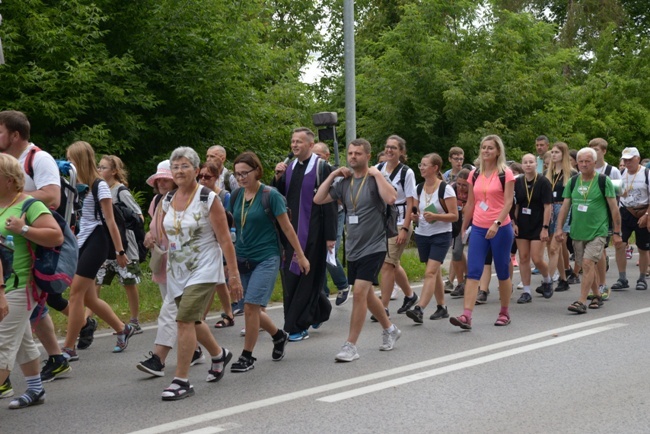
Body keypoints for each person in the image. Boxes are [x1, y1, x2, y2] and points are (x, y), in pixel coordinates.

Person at [159, 147, 242, 400]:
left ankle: (181, 380)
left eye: (185, 166)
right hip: (178, 270)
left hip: (204, 268)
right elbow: (166, 232)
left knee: (184, 320)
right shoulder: (167, 199)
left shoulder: (208, 198)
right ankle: (219, 354)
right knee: (194, 320)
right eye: (175, 167)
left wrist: (234, 275)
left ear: (196, 170)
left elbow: (225, 240)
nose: (179, 171)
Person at [314, 138, 402, 362]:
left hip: (375, 245)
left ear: (368, 156)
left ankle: (350, 345)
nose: (353, 157)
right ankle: (390, 329)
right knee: (369, 294)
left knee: (360, 293)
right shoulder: (344, 182)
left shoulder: (375, 179)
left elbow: (392, 198)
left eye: (358, 154)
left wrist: (378, 174)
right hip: (354, 247)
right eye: (350, 153)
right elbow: (319, 198)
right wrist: (333, 175)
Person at [0, 110, 69, 389]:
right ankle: (38, 383)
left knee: (8, 336)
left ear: (15, 135)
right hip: (10, 274)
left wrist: (18, 207)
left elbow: (52, 196)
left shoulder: (39, 158)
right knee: (25, 332)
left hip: (26, 268)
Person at [229, 151, 309, 372]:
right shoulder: (235, 196)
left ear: (257, 171)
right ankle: (278, 335)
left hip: (267, 257)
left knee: (250, 306)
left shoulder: (270, 195)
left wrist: (299, 255)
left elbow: (287, 227)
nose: (241, 177)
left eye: (245, 173)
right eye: (237, 174)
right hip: (243, 258)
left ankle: (247, 356)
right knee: (252, 308)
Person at [61, 141, 135, 360]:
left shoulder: (99, 185)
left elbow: (110, 221)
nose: (69, 164)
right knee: (89, 299)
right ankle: (123, 329)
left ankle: (68, 348)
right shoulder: (79, 183)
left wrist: (120, 252)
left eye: (71, 159)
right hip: (83, 241)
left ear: (80, 160)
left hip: (98, 241)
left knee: (75, 294)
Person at [136, 160, 206, 377]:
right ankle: (203, 351)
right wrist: (149, 235)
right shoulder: (158, 200)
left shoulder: (186, 200)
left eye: (166, 178)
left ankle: (159, 358)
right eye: (160, 179)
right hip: (163, 262)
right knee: (184, 314)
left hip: (183, 264)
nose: (162, 182)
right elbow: (154, 225)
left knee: (169, 311)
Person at [273, 127, 335, 341]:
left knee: (306, 277)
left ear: (310, 144)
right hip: (291, 231)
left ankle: (296, 326)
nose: (294, 145)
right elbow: (280, 198)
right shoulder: (289, 168)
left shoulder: (321, 167)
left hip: (314, 232)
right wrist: (278, 178)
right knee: (292, 277)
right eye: (292, 142)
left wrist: (330, 236)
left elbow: (330, 203)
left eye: (299, 142)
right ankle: (320, 310)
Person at [450, 135, 515, 330]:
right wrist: (463, 226)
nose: (486, 151)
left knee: (503, 271)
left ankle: (504, 312)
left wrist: (496, 223)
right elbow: (471, 202)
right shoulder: (475, 174)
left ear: (497, 151)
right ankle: (466, 315)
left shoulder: (506, 173)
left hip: (501, 228)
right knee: (474, 271)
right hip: (478, 227)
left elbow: (509, 202)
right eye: (483, 147)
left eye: (490, 148)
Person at [554, 147, 622, 313]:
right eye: (581, 161)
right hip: (578, 232)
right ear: (577, 163)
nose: (584, 164)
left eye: (587, 161)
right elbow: (565, 207)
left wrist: (617, 233)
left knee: (587, 262)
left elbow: (614, 208)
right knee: (585, 266)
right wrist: (559, 229)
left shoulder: (603, 180)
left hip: (598, 231)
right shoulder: (573, 181)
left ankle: (581, 301)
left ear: (594, 162)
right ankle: (597, 295)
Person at [92, 155, 144, 335]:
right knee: (95, 282)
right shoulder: (99, 189)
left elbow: (138, 216)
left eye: (103, 167)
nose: (99, 170)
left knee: (128, 283)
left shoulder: (121, 191)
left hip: (124, 246)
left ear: (114, 171)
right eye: (98, 167)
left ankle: (135, 321)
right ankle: (86, 322)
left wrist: (120, 217)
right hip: (105, 245)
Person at [405, 153, 457, 323]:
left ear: (435, 168)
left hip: (441, 235)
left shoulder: (445, 189)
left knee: (430, 272)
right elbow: (417, 211)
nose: (421, 167)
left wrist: (437, 217)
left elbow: (454, 216)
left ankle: (419, 308)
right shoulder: (419, 188)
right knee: (433, 273)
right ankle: (442, 307)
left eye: (425, 165)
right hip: (423, 234)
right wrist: (415, 217)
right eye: (420, 164)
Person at [375, 135, 419, 319]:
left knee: (387, 264)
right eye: (387, 147)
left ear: (401, 152)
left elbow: (411, 201)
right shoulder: (377, 169)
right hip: (381, 221)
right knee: (393, 263)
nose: (389, 150)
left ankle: (383, 308)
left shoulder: (406, 172)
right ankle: (410, 295)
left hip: (400, 220)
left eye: (394, 147)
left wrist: (405, 228)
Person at [198, 161, 235, 328]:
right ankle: (229, 313)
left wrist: (228, 260)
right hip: (203, 244)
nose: (203, 180)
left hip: (218, 244)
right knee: (219, 281)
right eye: (200, 176)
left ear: (217, 177)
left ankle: (200, 317)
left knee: (211, 281)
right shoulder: (196, 195)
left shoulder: (223, 196)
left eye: (207, 176)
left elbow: (228, 226)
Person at [313, 142, 351, 305]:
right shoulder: (311, 170)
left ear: (327, 156)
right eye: (313, 155)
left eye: (319, 155)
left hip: (336, 214)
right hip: (317, 216)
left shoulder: (333, 171)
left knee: (330, 255)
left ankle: (343, 285)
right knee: (318, 256)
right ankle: (323, 294)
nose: (315, 159)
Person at [513, 154, 553, 303]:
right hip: (523, 224)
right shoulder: (518, 182)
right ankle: (526, 291)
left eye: (531, 162)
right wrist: (514, 223)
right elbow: (516, 205)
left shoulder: (543, 182)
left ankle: (547, 280)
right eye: (525, 162)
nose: (528, 165)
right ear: (522, 165)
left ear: (536, 164)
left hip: (538, 224)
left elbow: (547, 206)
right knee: (523, 258)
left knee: (536, 258)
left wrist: (545, 227)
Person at [612, 147, 650, 291]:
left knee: (643, 247)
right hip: (624, 212)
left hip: (642, 211)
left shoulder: (647, 173)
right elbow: (615, 196)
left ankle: (642, 278)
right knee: (619, 244)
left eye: (630, 159)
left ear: (638, 159)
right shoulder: (620, 173)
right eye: (625, 160)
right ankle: (622, 278)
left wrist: (647, 215)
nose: (627, 163)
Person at [545, 142, 577, 293]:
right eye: (552, 152)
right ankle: (563, 279)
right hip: (549, 209)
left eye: (557, 152)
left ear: (564, 154)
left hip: (564, 209)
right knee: (555, 248)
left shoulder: (571, 173)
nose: (553, 155)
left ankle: (548, 282)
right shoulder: (548, 172)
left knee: (554, 247)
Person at [448, 169, 470, 298]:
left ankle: (474, 281)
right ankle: (460, 283)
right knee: (456, 252)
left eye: (464, 185)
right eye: (459, 184)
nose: (461, 188)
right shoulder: (451, 189)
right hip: (457, 224)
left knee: (473, 253)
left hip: (472, 224)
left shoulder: (474, 190)